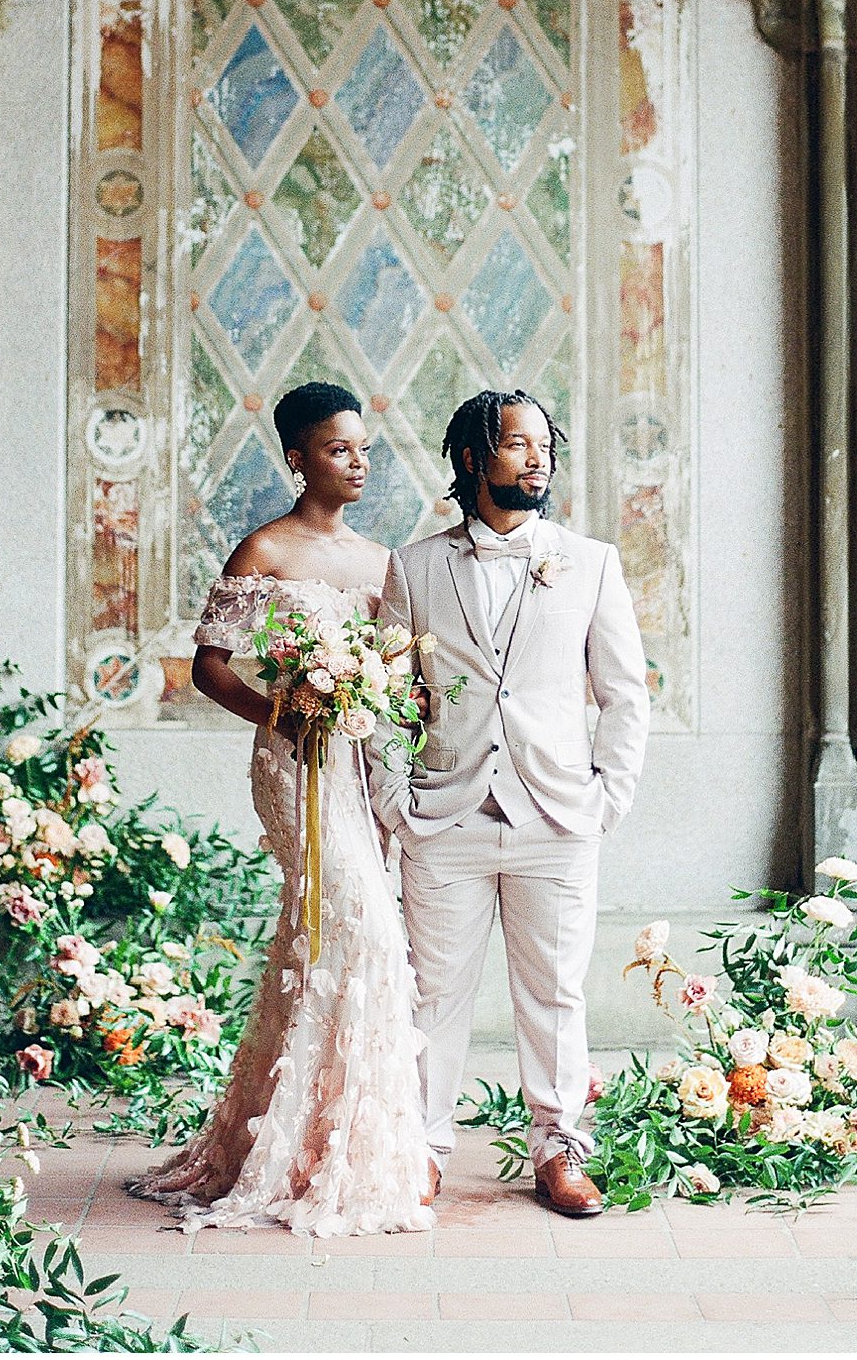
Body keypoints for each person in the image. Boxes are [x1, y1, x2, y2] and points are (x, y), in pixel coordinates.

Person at [128, 381, 433, 1236]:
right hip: (291, 763)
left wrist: (375, 703)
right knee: (357, 928)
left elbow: (401, 672)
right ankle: (304, 1142)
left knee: (330, 936)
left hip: (359, 763)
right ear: (298, 456)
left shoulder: (382, 563)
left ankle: (328, 1137)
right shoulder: (263, 549)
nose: (359, 461)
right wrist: (284, 710)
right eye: (339, 449)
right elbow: (209, 666)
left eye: (364, 448)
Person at [368, 389, 649, 1218]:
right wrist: (394, 799)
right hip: (443, 817)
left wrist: (605, 803)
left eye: (544, 445)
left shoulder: (590, 562)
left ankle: (560, 1149)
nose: (538, 459)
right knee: (433, 994)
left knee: (557, 993)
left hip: (556, 819)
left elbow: (626, 695)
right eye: (519, 444)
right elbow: (384, 695)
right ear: (470, 458)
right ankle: (421, 1148)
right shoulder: (414, 567)